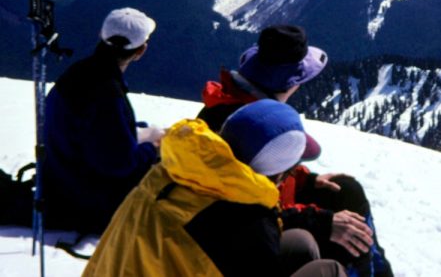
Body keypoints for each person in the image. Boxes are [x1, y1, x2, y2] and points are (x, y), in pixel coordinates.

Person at [198, 25, 393, 277]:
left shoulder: (234, 108)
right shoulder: (240, 125)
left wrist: (305, 179)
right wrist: (322, 221)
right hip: (246, 228)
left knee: (344, 189)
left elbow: (265, 172)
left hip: (260, 211)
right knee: (342, 217)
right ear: (291, 84)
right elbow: (245, 213)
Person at [84, 100, 346, 277]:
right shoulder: (246, 226)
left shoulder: (173, 170)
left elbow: (213, 225)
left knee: (299, 242)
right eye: (290, 171)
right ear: (276, 174)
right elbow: (239, 235)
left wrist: (311, 220)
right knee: (330, 271)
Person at [42, 7, 165, 234]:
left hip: (59, 178)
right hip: (86, 199)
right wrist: (154, 149)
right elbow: (118, 165)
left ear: (101, 35)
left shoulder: (78, 73)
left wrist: (138, 133)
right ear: (141, 51)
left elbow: (96, 132)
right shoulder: (106, 92)